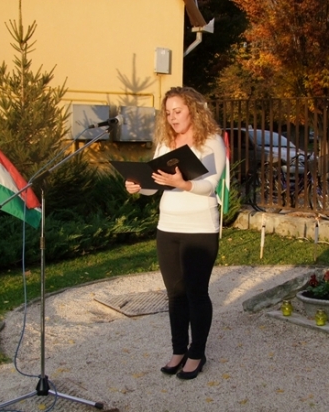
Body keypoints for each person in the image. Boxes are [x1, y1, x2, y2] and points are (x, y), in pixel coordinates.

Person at [125, 86, 225, 380]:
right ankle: (178, 350)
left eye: (178, 111)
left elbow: (210, 185)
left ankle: (197, 353)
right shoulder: (166, 142)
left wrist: (183, 184)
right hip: (167, 227)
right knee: (175, 294)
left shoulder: (211, 141)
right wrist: (138, 186)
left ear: (193, 110)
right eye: (168, 112)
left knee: (196, 293)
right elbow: (154, 183)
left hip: (200, 228)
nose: (172, 117)